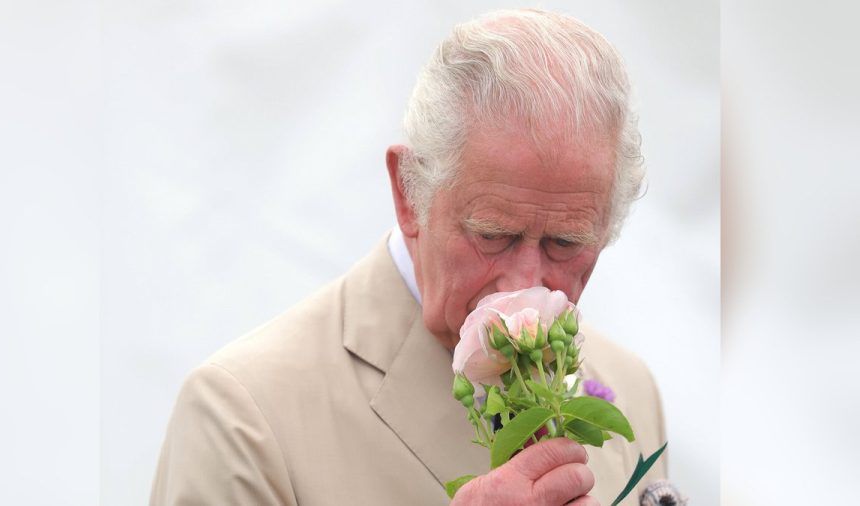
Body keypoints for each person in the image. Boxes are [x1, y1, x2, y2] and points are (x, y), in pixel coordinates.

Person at [151, 8, 671, 505]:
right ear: (409, 194)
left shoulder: (628, 388)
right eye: (493, 234)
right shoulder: (242, 414)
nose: (524, 284)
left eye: (565, 242)